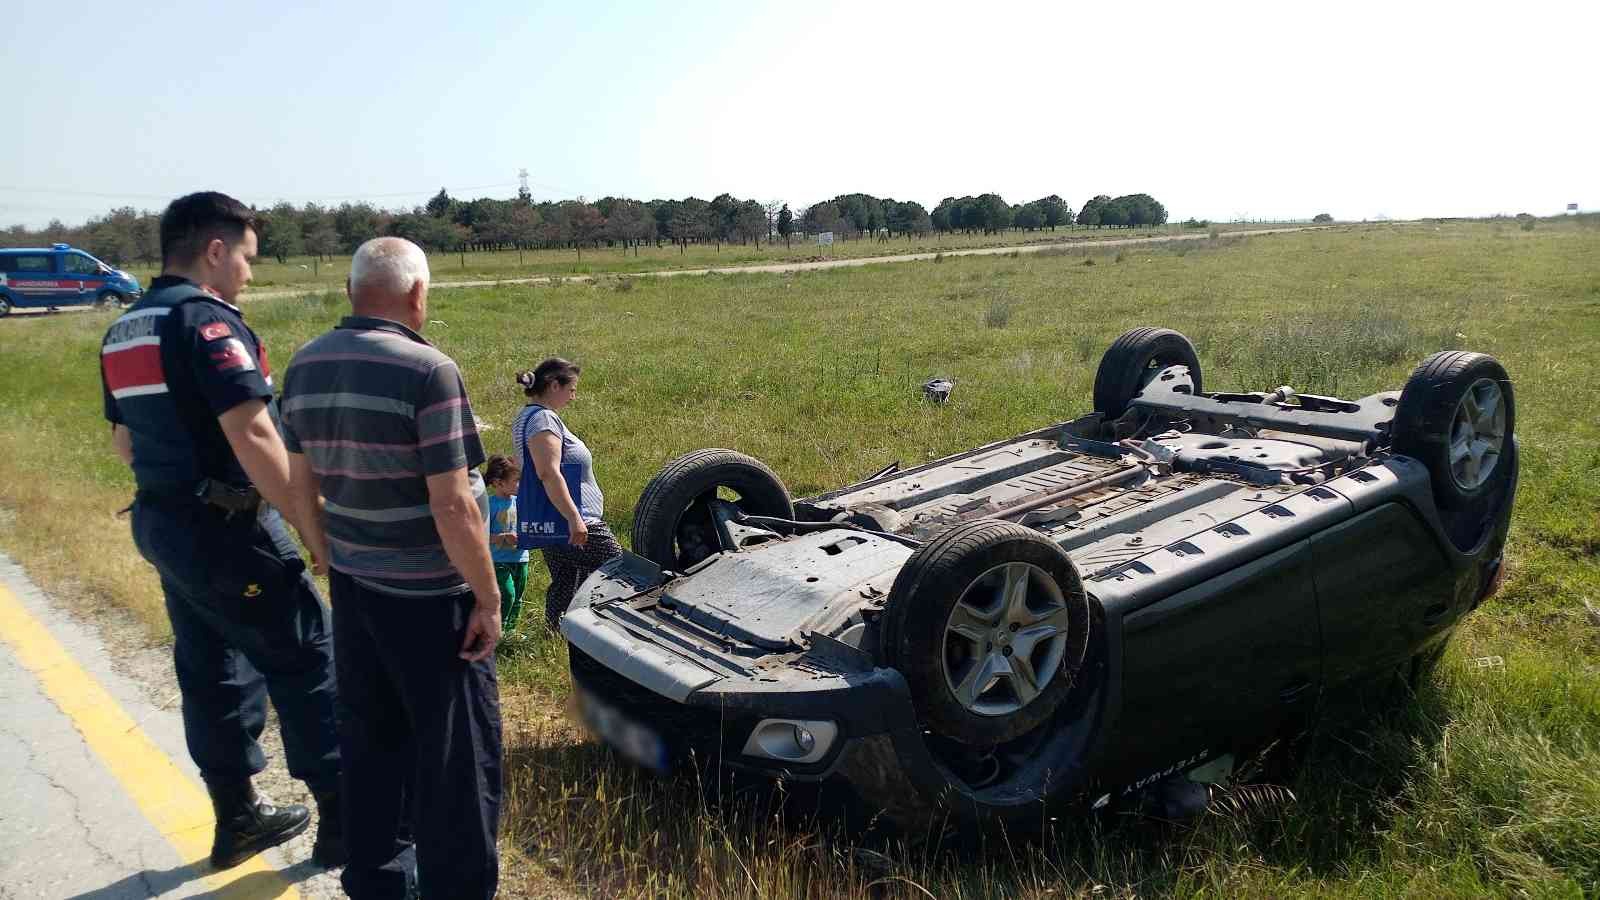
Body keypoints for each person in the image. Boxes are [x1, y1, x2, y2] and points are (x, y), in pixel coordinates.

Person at [98, 191, 343, 869]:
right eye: (246, 257)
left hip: (161, 520)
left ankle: (237, 818)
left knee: (211, 669)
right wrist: (310, 530)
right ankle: (344, 819)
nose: (249, 273)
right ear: (214, 250)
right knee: (307, 660)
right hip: (226, 527)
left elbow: (124, 440)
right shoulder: (206, 321)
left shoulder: (125, 327)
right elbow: (255, 434)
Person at [278, 236, 501, 900]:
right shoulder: (428, 371)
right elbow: (455, 504)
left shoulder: (305, 363)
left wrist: (324, 551)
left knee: (372, 742)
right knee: (456, 764)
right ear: (416, 294)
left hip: (354, 588)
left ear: (351, 293)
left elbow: (297, 481)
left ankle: (375, 880)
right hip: (433, 600)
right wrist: (487, 600)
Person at [513, 358, 622, 629]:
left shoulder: (526, 417)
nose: (574, 396)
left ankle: (556, 636)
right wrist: (574, 517)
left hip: (552, 518)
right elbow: (547, 472)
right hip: (574, 520)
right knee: (622, 571)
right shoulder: (543, 419)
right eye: (571, 389)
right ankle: (616, 633)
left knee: (567, 580)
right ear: (553, 385)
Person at [484, 455, 529, 636]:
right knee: (507, 595)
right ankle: (497, 631)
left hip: (521, 558)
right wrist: (502, 538)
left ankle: (511, 631)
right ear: (498, 483)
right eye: (516, 481)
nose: (519, 485)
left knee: (518, 596)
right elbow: (480, 535)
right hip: (498, 560)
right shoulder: (489, 504)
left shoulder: (522, 502)